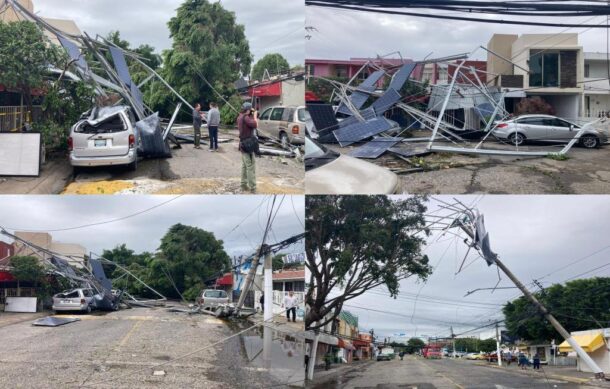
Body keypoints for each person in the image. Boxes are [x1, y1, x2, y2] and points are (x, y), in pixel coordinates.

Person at [237, 102, 258, 193]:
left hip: (242, 144)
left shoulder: (240, 117)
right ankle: (253, 187)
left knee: (244, 166)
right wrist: (255, 116)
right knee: (250, 166)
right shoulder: (246, 118)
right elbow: (255, 124)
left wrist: (251, 115)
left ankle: (243, 184)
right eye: (250, 110)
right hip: (247, 145)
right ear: (248, 110)